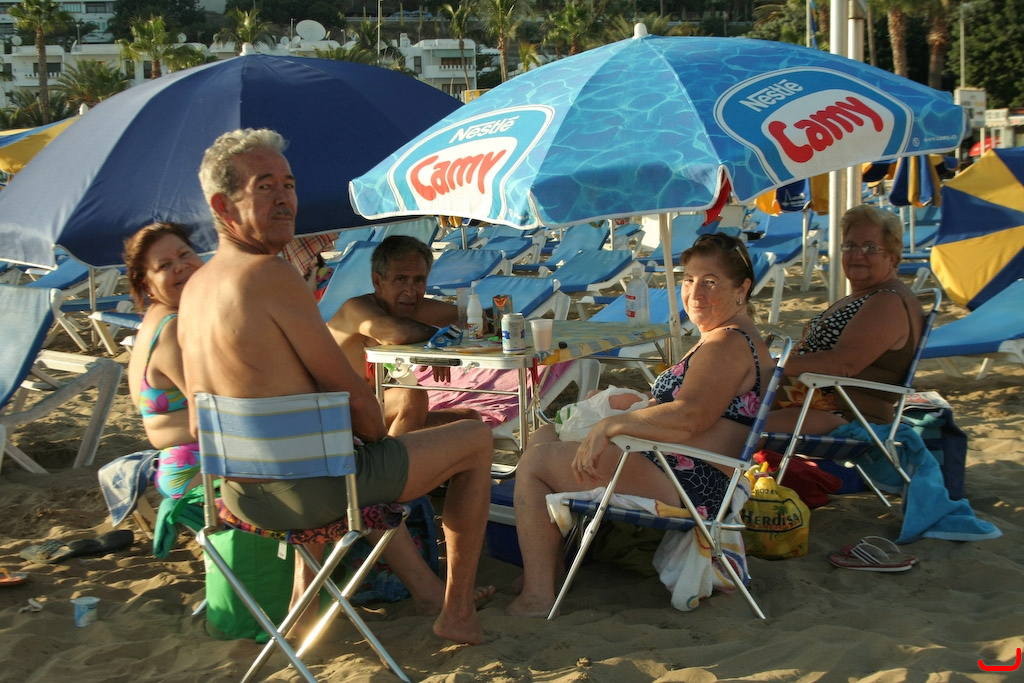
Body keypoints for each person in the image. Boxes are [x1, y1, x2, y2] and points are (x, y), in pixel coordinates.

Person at [178, 128, 494, 644]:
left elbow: (197, 421)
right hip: (309, 494)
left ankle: (305, 612)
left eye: (289, 184)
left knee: (326, 452)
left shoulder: (195, 288)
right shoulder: (271, 276)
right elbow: (361, 411)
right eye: (265, 187)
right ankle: (456, 612)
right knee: (475, 439)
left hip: (239, 496)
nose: (285, 199)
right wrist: (374, 433)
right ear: (222, 206)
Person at [507, 233, 772, 618]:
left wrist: (611, 425)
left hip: (688, 480)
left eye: (710, 281)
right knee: (545, 435)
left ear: (741, 289)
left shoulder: (726, 344)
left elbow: (690, 416)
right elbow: (692, 408)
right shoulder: (727, 336)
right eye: (689, 280)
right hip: (679, 465)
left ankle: (538, 595)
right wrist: (634, 405)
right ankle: (549, 568)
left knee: (535, 464)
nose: (695, 292)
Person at [766, 204, 925, 435]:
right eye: (850, 246)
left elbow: (842, 364)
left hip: (843, 412)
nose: (857, 254)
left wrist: (770, 366)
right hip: (808, 401)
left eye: (870, 247)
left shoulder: (887, 302)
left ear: (892, 257)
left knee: (727, 430)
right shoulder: (866, 296)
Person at [327, 235, 482, 435]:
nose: (410, 291)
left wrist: (448, 338)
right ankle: (393, 456)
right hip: (332, 417)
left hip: (371, 413)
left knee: (469, 421)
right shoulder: (356, 309)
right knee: (411, 396)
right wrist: (439, 340)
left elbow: (475, 318)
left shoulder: (409, 307)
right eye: (400, 280)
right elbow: (395, 333)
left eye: (419, 280)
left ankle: (400, 451)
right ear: (378, 281)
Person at [124, 222, 205, 500]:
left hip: (183, 461)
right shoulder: (172, 329)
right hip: (197, 469)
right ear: (147, 285)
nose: (180, 266)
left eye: (184, 254)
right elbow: (215, 408)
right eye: (164, 265)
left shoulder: (158, 318)